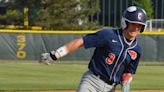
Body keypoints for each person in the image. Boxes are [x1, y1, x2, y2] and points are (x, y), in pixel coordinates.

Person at [39, 6, 147, 92]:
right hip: (92, 81)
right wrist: (56, 54)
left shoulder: (137, 50)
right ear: (125, 22)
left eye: (139, 25)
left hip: (111, 88)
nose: (135, 28)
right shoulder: (108, 35)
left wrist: (127, 82)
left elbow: (128, 72)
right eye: (133, 23)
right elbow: (80, 42)